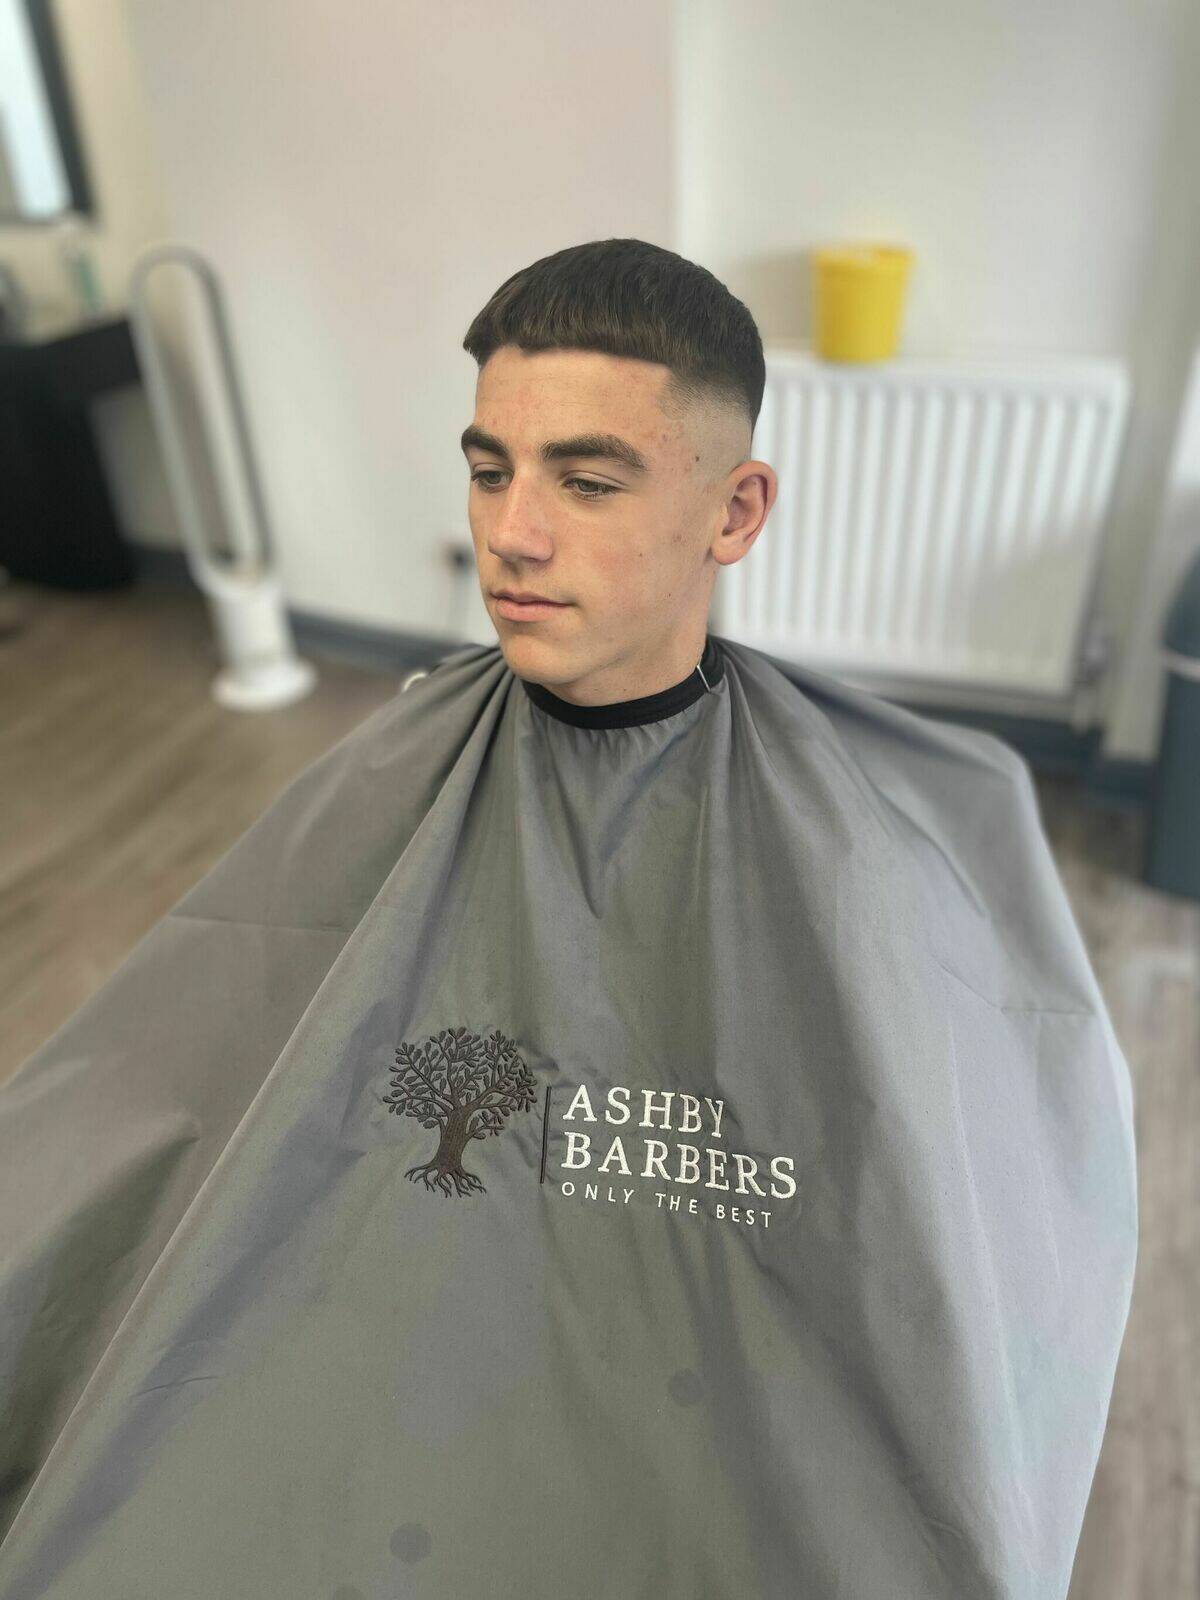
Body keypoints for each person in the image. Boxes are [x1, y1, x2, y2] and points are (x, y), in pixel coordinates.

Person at [0, 238, 1137, 1598]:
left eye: (587, 482)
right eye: (490, 471)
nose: (512, 534)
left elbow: (984, 1220)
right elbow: (169, 1070)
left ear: (734, 512)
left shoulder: (887, 829)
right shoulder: (394, 768)